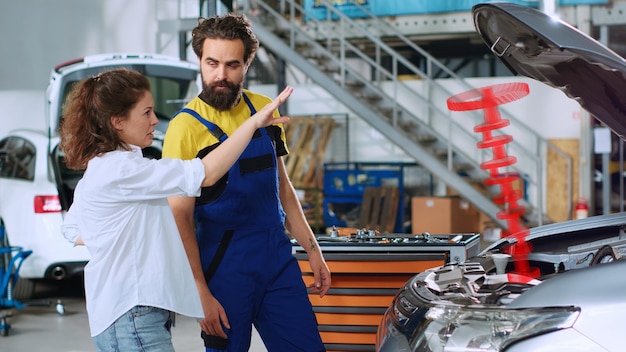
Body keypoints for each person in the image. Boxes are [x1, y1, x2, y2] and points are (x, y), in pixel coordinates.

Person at [59, 68, 292, 352]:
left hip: (119, 316)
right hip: (134, 315)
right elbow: (206, 173)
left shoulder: (100, 167)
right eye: (146, 113)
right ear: (117, 121)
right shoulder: (123, 170)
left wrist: (111, 237)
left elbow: (72, 229)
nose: (155, 120)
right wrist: (252, 123)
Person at [162, 14, 331, 352]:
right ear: (199, 61)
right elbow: (179, 217)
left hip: (276, 260)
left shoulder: (264, 110)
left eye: (232, 65)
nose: (220, 75)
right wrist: (200, 291)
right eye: (211, 63)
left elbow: (282, 187)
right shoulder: (184, 128)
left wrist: (313, 250)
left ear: (247, 63)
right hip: (223, 267)